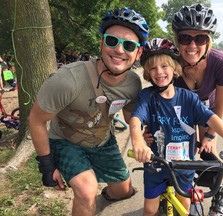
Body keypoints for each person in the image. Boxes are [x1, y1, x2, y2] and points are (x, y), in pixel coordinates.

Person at [28, 7, 149, 216]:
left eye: (128, 45)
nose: (120, 50)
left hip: (103, 141)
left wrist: (144, 137)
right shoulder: (67, 79)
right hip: (66, 142)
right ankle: (86, 202)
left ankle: (93, 204)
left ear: (138, 52)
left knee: (123, 191)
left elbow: (131, 119)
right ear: (101, 42)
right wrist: (46, 165)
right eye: (112, 41)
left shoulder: (133, 83)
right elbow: (36, 120)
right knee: (87, 190)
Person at [130, 38, 223, 216]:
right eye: (153, 68)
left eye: (164, 66)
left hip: (184, 166)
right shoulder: (147, 97)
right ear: (148, 73)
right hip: (156, 167)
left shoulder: (188, 97)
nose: (159, 72)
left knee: (185, 207)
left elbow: (212, 118)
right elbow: (136, 119)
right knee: (150, 210)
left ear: (174, 68)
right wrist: (138, 143)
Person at [142, 3, 223, 216]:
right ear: (177, 40)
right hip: (182, 107)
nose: (192, 45)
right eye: (185, 38)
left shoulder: (222, 63)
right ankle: (179, 185)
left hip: (207, 107)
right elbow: (159, 98)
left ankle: (221, 189)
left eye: (200, 38)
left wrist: (210, 136)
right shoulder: (172, 63)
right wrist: (147, 130)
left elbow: (219, 108)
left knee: (207, 151)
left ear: (208, 41)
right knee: (184, 149)